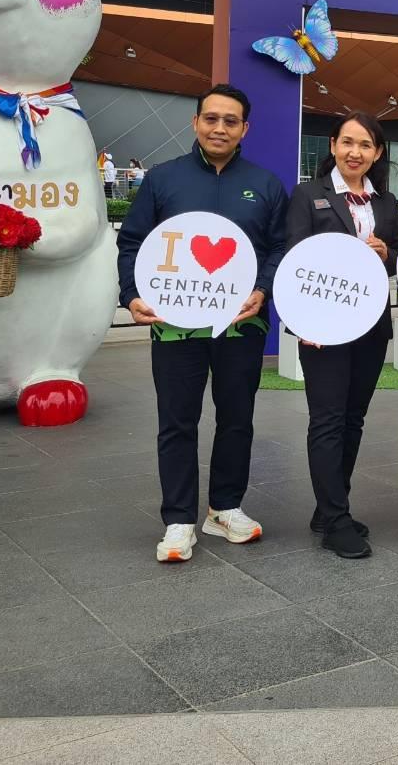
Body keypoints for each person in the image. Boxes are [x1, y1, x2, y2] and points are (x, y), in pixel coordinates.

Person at [116, 84, 289, 563]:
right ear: (195, 123)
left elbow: (278, 248)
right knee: (176, 420)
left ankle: (225, 508)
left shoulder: (266, 184)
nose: (219, 128)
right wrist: (131, 295)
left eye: (230, 121)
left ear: (244, 129)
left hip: (241, 325)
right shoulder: (163, 179)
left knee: (237, 419)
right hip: (174, 324)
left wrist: (263, 289)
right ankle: (177, 520)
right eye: (211, 119)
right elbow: (132, 243)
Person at [286, 113, 398, 559]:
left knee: (353, 419)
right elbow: (294, 259)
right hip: (324, 328)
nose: (356, 152)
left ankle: (328, 507)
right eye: (348, 143)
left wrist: (387, 252)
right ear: (333, 145)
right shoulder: (307, 195)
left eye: (366, 145)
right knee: (328, 420)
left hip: (371, 326)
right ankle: (336, 520)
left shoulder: (387, 203)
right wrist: (302, 322)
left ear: (377, 153)